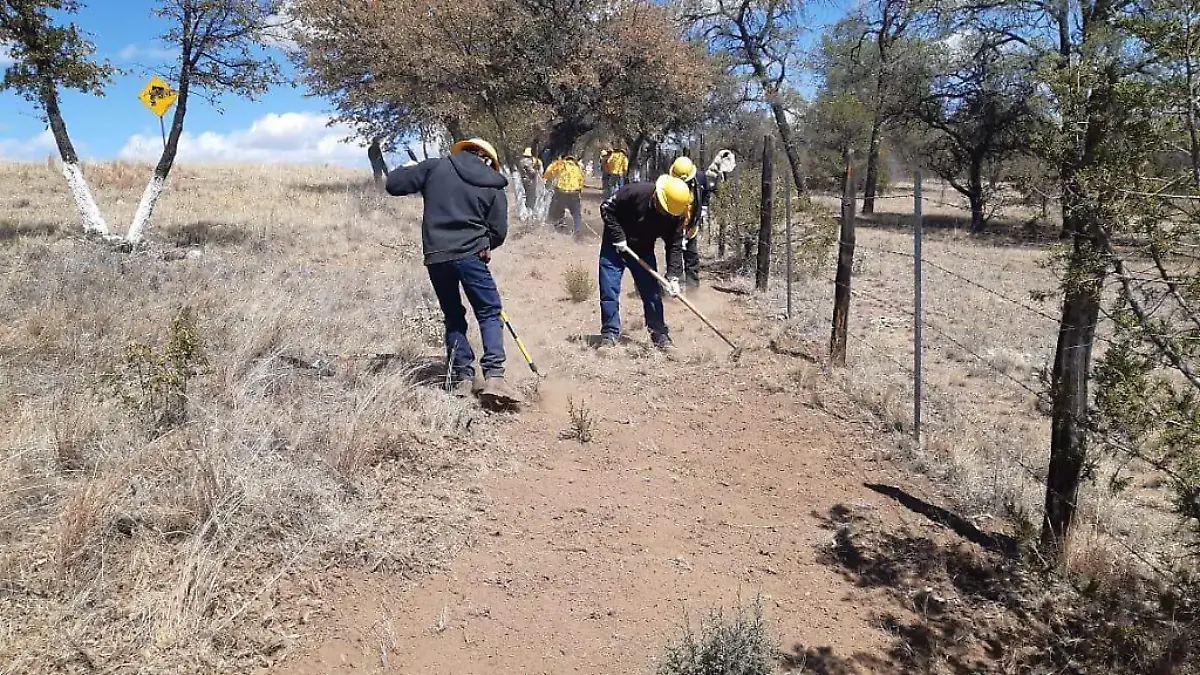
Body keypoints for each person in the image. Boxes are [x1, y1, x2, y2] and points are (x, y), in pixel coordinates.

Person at [385, 137, 522, 405]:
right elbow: (499, 232)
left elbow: (393, 184)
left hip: (437, 257)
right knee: (489, 312)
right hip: (472, 256)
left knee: (453, 314)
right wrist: (485, 245)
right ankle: (495, 376)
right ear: (486, 159)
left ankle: (461, 378)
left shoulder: (434, 167)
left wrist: (410, 166)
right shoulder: (494, 183)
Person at [598, 175, 694, 349]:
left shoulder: (677, 215)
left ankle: (659, 335)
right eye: (664, 210)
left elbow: (674, 245)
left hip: (643, 250)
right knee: (609, 290)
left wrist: (673, 276)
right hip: (615, 246)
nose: (666, 215)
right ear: (657, 197)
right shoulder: (635, 192)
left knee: (652, 293)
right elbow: (606, 208)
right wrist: (618, 237)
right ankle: (610, 334)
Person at [669, 156, 715, 290]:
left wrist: (704, 207)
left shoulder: (700, 179)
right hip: (674, 226)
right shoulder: (669, 184)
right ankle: (674, 284)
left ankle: (692, 288)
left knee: (692, 256)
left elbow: (706, 192)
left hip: (691, 225)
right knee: (674, 255)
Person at [542, 154, 585, 235]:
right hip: (574, 192)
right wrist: (579, 191)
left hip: (561, 191)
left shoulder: (560, 163)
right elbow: (582, 181)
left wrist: (547, 178)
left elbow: (548, 172)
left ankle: (559, 228)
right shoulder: (577, 168)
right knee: (576, 213)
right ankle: (577, 231)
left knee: (559, 209)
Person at [517, 147, 543, 215]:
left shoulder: (521, 161)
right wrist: (536, 171)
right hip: (529, 180)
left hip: (523, 179)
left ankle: (526, 212)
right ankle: (530, 212)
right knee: (531, 197)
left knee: (525, 196)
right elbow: (531, 171)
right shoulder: (528, 161)